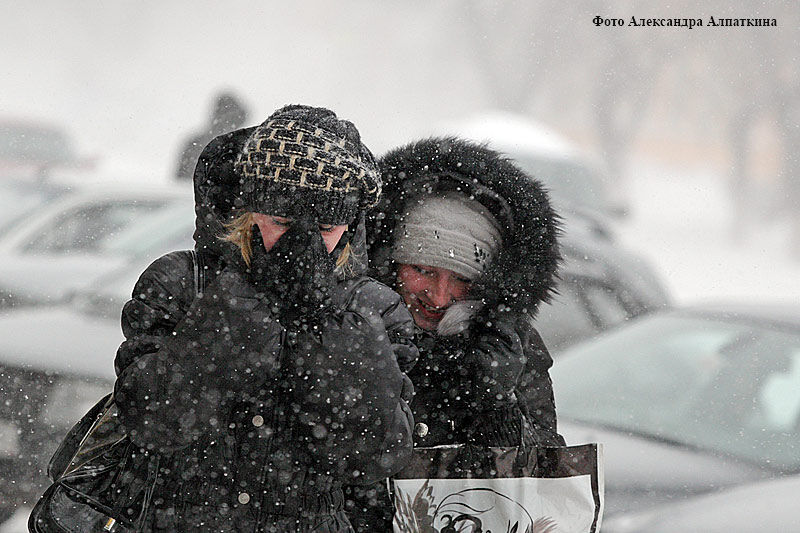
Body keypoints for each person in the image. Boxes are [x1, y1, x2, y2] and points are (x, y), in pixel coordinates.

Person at [112, 105, 418, 532]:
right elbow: (152, 423)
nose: (304, 241)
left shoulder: (370, 306)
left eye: (326, 226)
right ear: (248, 211)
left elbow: (374, 454)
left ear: (349, 227)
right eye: (282, 221)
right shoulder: (181, 283)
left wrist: (323, 323)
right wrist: (239, 311)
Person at [347, 136, 566, 529]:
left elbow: (542, 477)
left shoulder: (509, 345)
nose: (439, 295)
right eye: (424, 270)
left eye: (462, 278)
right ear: (392, 262)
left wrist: (497, 404)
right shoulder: (349, 326)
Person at [174, 90, 249, 181]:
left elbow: (180, 184)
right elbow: (181, 183)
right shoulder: (244, 147)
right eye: (231, 120)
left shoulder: (244, 147)